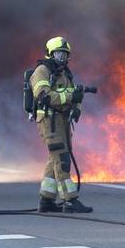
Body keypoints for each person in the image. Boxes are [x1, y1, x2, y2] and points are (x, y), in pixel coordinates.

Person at [29, 36, 93, 214]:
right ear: (50, 53)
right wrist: (71, 98)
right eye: (58, 54)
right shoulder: (42, 71)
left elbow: (73, 93)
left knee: (54, 158)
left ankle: (47, 200)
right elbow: (45, 96)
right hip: (50, 122)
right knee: (62, 160)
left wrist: (77, 107)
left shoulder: (65, 74)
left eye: (65, 55)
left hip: (63, 122)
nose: (62, 58)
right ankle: (70, 200)